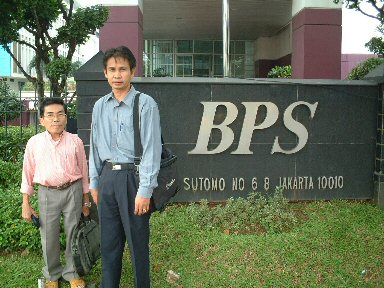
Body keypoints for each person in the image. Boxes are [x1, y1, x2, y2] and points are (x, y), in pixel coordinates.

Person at [89, 46, 162, 288]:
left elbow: (152, 148)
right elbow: (95, 145)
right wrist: (94, 182)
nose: (117, 75)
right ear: (105, 73)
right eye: (112, 70)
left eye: (122, 69)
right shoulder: (100, 105)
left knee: (137, 244)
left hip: (134, 179)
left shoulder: (145, 104)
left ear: (132, 71)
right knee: (109, 245)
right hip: (108, 178)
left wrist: (145, 190)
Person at [21, 97, 91, 288]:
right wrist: (26, 202)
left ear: (66, 118)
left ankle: (72, 273)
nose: (56, 119)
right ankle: (52, 275)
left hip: (73, 191)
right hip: (47, 193)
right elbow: (27, 173)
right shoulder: (34, 143)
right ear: (42, 119)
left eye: (60, 114)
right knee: (48, 236)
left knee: (73, 233)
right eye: (50, 115)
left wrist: (86, 201)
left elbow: (84, 171)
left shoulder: (75, 141)